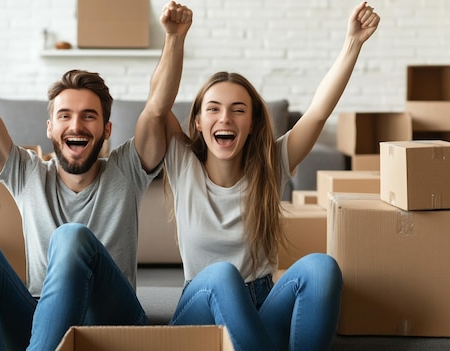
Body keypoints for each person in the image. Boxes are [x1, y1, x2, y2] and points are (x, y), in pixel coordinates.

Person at [0, 1, 192, 350]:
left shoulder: (127, 170)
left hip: (112, 319)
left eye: (89, 116)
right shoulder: (27, 173)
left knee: (71, 237)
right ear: (50, 129)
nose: (76, 125)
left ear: (107, 129)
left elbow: (157, 108)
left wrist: (173, 38)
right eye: (65, 116)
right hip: (40, 320)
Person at [160, 2, 379, 351]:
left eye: (238, 110)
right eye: (213, 109)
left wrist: (353, 42)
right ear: (199, 123)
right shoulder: (182, 160)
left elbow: (319, 113)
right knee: (220, 275)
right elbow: (159, 104)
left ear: (253, 123)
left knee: (322, 267)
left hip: (260, 307)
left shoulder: (270, 163)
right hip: (201, 309)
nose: (225, 119)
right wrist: (174, 39)